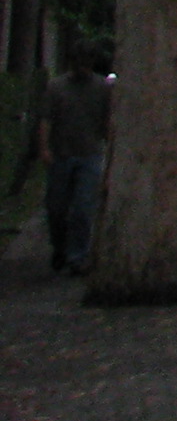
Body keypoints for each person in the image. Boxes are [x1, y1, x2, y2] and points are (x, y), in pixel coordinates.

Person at [38, 47, 109, 276]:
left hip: (89, 154)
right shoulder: (56, 87)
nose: (83, 68)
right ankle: (60, 248)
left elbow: (108, 120)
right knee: (56, 208)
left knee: (83, 209)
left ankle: (78, 256)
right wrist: (45, 148)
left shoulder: (102, 88)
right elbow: (46, 119)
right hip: (61, 154)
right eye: (79, 63)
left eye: (87, 63)